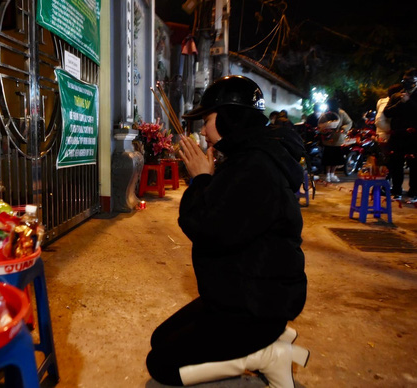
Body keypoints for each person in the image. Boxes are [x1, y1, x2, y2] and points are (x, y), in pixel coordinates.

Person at [146, 75, 309, 387]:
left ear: (230, 118)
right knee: (160, 340)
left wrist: (201, 179)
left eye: (207, 120)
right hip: (236, 295)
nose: (203, 130)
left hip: (257, 307)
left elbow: (209, 229)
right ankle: (259, 346)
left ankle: (263, 355)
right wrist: (207, 178)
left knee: (161, 366)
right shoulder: (245, 157)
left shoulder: (256, 168)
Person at [383, 69, 417, 202]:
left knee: (414, 165)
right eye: (405, 80)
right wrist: (401, 102)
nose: (407, 83)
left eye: (410, 80)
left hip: (414, 137)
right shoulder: (397, 95)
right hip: (398, 135)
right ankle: (396, 190)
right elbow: (387, 112)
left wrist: (409, 102)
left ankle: (413, 193)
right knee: (396, 164)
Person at [318, 99, 353, 183]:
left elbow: (349, 122)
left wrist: (343, 129)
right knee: (328, 159)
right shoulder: (325, 114)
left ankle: (333, 174)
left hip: (338, 140)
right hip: (328, 139)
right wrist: (324, 129)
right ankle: (328, 175)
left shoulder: (341, 113)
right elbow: (320, 124)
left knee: (336, 159)